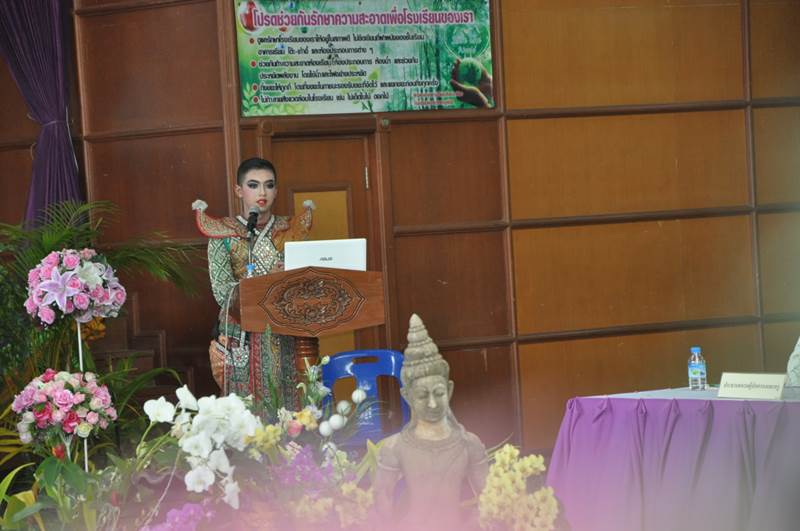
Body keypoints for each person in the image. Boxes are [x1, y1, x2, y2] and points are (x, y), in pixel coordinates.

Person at [192, 157, 314, 409]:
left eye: (269, 185)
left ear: (276, 190)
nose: (262, 193)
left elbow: (306, 282)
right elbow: (222, 291)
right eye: (253, 185)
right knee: (246, 411)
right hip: (241, 333)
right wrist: (263, 285)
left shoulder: (291, 230)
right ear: (239, 190)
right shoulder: (223, 233)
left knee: (292, 408)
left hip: (287, 330)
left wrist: (288, 278)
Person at [373, 313, 489, 529]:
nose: (433, 404)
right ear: (407, 396)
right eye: (422, 395)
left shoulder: (469, 443)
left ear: (450, 390)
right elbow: (381, 500)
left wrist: (473, 524)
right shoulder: (395, 447)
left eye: (439, 393)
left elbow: (491, 500)